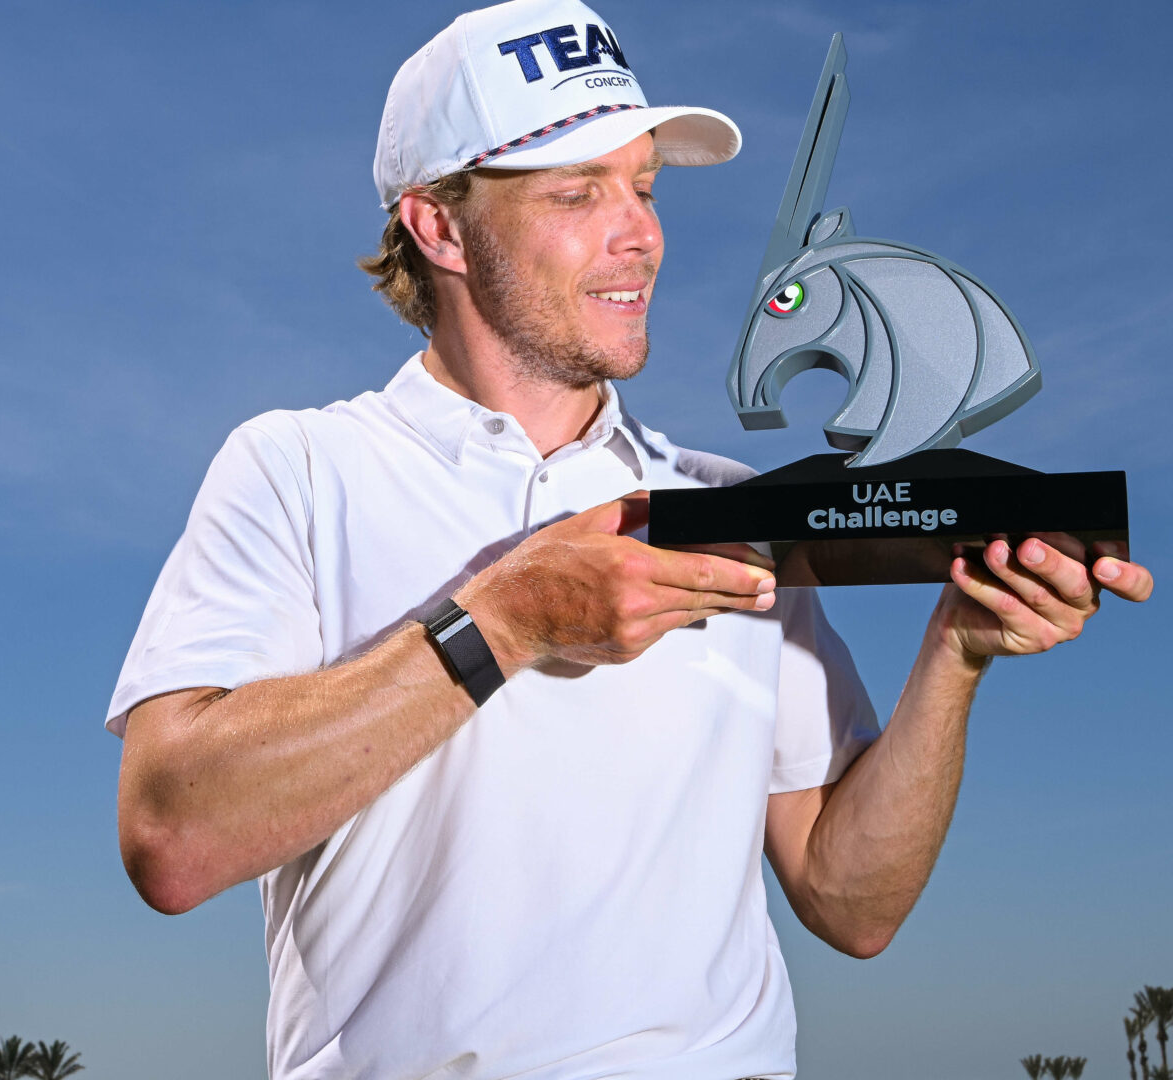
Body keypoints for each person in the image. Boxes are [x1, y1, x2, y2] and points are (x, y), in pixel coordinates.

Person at [103, 2, 1154, 1077]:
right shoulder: (300, 471)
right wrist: (507, 619)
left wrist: (956, 652)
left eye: (644, 187)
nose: (642, 233)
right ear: (440, 227)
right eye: (577, 192)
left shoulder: (730, 509)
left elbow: (850, 901)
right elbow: (172, 840)